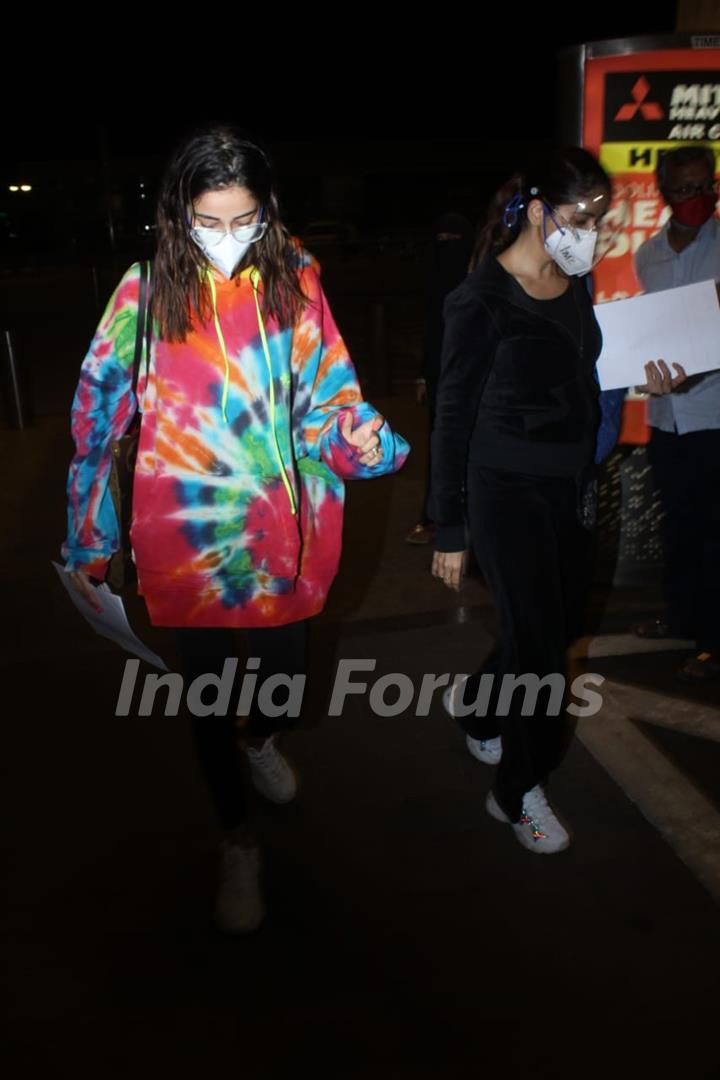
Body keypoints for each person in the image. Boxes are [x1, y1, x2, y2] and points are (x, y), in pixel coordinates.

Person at [61, 125, 410, 931]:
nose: (228, 241)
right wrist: (90, 540)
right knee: (208, 701)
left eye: (244, 220)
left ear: (267, 210)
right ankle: (237, 839)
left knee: (287, 687)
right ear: (178, 214)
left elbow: (330, 399)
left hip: (284, 534)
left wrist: (358, 437)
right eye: (208, 222)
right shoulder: (141, 294)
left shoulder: (294, 281)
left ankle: (265, 741)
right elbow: (96, 424)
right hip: (183, 538)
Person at [429, 147, 683, 855]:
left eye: (601, 218)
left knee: (548, 629)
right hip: (504, 493)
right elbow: (451, 416)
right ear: (538, 211)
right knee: (545, 660)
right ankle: (516, 790)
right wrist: (448, 525)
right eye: (580, 217)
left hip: (570, 487)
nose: (593, 233)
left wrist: (645, 383)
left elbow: (579, 375)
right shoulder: (478, 301)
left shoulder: (573, 281)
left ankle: (478, 711)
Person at [633, 144, 720, 682]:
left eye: (706, 185)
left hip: (715, 414)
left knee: (716, 530)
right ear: (663, 193)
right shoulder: (648, 255)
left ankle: (714, 638)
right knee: (680, 526)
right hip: (666, 417)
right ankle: (682, 614)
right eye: (685, 188)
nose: (698, 198)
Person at [405, 212, 474, 545]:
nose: (447, 248)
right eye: (442, 240)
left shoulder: (476, 278)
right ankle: (434, 516)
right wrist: (422, 376)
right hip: (438, 374)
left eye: (454, 240)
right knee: (439, 445)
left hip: (468, 372)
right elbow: (431, 326)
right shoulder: (437, 276)